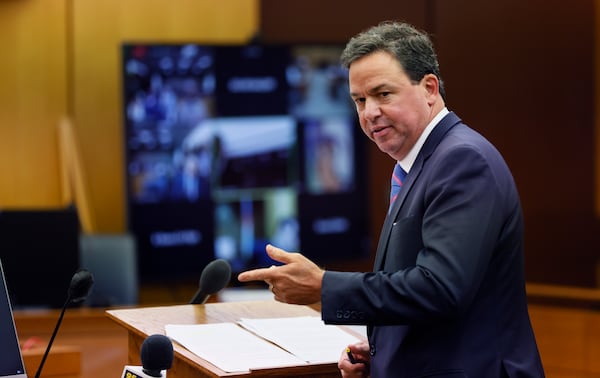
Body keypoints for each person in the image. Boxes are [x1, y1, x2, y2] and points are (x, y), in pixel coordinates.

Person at [238, 20, 545, 377]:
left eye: (383, 94)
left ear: (429, 88)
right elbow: (422, 291)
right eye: (359, 100)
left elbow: (440, 288)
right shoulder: (418, 164)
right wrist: (383, 348)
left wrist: (324, 286)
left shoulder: (463, 160)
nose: (369, 112)